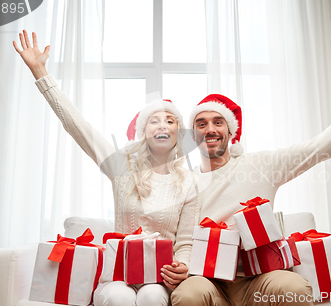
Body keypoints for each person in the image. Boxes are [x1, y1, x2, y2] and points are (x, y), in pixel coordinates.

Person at [170, 43, 331, 306]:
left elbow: (321, 147)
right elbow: (184, 241)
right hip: (209, 281)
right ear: (192, 135)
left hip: (259, 279)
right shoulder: (186, 182)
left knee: (292, 286)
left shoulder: (261, 165)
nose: (210, 129)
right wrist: (183, 265)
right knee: (188, 294)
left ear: (231, 132)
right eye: (201, 123)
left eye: (218, 122)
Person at [13, 30, 200, 306]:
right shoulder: (121, 166)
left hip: (158, 278)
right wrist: (41, 72)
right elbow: (78, 127)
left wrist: (182, 265)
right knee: (117, 296)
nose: (163, 124)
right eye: (154, 120)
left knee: (151, 296)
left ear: (178, 133)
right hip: (117, 275)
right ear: (143, 132)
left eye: (171, 120)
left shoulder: (188, 183)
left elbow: (185, 241)